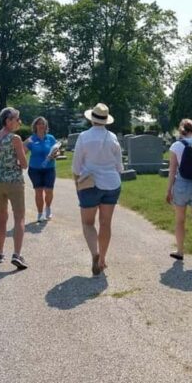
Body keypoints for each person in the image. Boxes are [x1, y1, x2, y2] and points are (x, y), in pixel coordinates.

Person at [71, 103, 123, 276]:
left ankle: (95, 254)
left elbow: (76, 167)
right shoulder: (113, 137)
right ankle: (102, 259)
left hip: (89, 184)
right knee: (105, 223)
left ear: (91, 119)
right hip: (112, 183)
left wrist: (76, 184)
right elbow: (119, 167)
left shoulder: (84, 137)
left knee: (88, 223)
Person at [0, 107, 28, 270]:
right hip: (14, 182)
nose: (19, 122)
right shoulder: (15, 138)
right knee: (19, 218)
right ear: (8, 120)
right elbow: (24, 164)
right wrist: (16, 162)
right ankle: (17, 255)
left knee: (2, 217)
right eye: (17, 119)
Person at [166, 118, 192, 260]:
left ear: (181, 130)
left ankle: (180, 251)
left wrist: (169, 190)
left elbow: (172, 171)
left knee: (180, 220)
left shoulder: (176, 146)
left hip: (181, 185)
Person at [24, 116, 58, 222]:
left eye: (43, 123)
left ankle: (47, 208)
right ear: (35, 126)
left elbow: (57, 150)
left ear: (46, 126)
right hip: (35, 169)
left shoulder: (51, 138)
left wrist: (55, 154)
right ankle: (39, 213)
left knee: (49, 191)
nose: (41, 125)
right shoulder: (31, 139)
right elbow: (22, 152)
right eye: (39, 123)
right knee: (38, 192)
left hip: (49, 168)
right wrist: (24, 143)